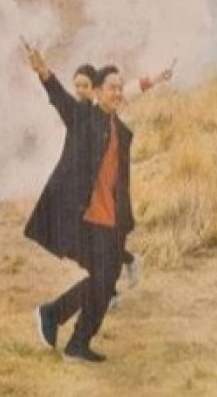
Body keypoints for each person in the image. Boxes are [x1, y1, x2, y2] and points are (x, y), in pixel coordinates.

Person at [24, 46, 136, 363]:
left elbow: (120, 184)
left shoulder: (124, 133)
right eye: (111, 87)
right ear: (98, 92)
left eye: (119, 87)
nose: (117, 92)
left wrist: (126, 222)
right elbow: (61, 99)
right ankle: (63, 325)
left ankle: (71, 335)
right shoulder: (84, 117)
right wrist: (43, 72)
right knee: (102, 279)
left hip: (113, 222)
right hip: (86, 218)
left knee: (105, 281)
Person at [72, 61, 173, 302]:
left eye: (85, 86)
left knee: (103, 244)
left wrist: (156, 78)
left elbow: (130, 90)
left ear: (95, 89)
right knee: (86, 246)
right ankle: (122, 268)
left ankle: (110, 288)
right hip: (84, 193)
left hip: (107, 194)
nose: (81, 91)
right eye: (77, 86)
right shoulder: (76, 111)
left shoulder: (106, 107)